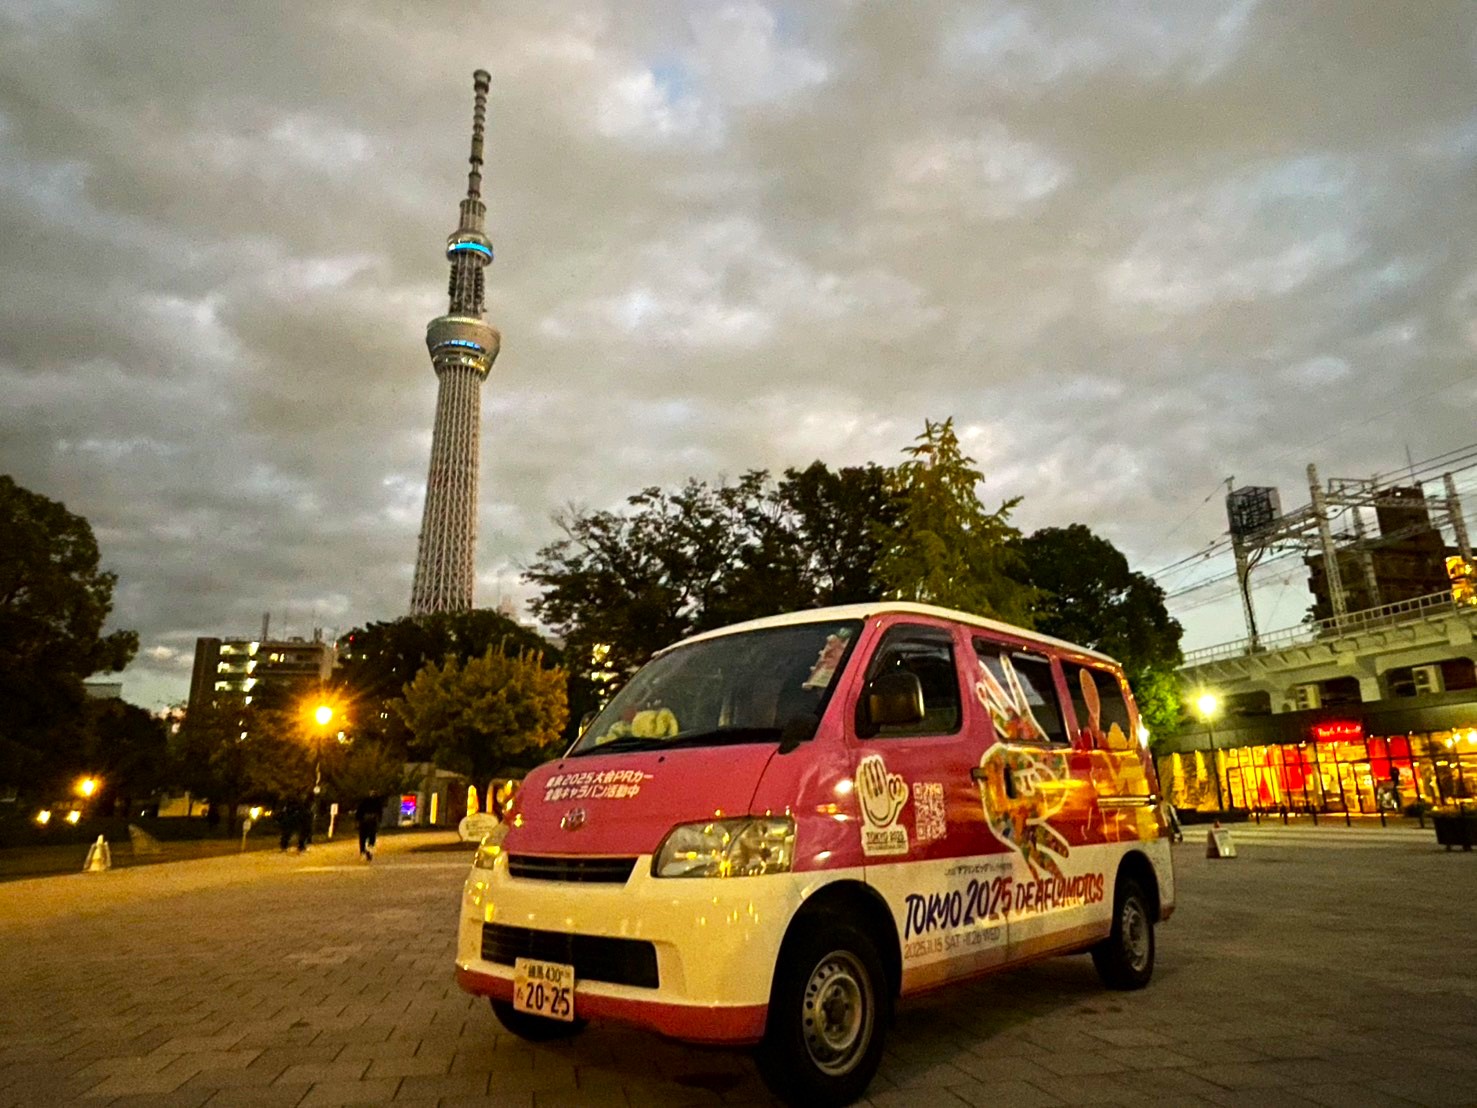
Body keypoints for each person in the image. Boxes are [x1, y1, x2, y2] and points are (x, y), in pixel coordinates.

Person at [355, 795, 383, 862]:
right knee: (372, 836)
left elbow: (359, 812)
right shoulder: (377, 802)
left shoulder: (363, 802)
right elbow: (379, 812)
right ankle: (369, 849)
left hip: (364, 821)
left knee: (362, 838)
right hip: (372, 821)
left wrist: (358, 820)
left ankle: (363, 851)